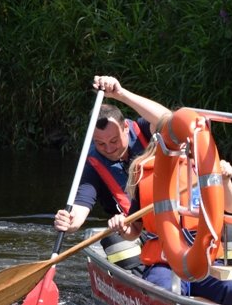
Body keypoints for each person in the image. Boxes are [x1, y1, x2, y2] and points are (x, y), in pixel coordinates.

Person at [108, 137, 232, 305]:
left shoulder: (205, 169)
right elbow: (135, 230)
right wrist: (123, 227)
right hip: (164, 264)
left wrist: (226, 180)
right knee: (165, 289)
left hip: (204, 261)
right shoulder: (146, 174)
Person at [53, 76, 171, 268]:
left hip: (171, 219)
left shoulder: (146, 130)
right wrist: (69, 222)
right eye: (100, 143)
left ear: (125, 127)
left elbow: (170, 121)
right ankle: (142, 283)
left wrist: (120, 94)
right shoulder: (92, 163)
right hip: (133, 229)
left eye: (114, 141)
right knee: (117, 246)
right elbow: (81, 207)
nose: (108, 149)